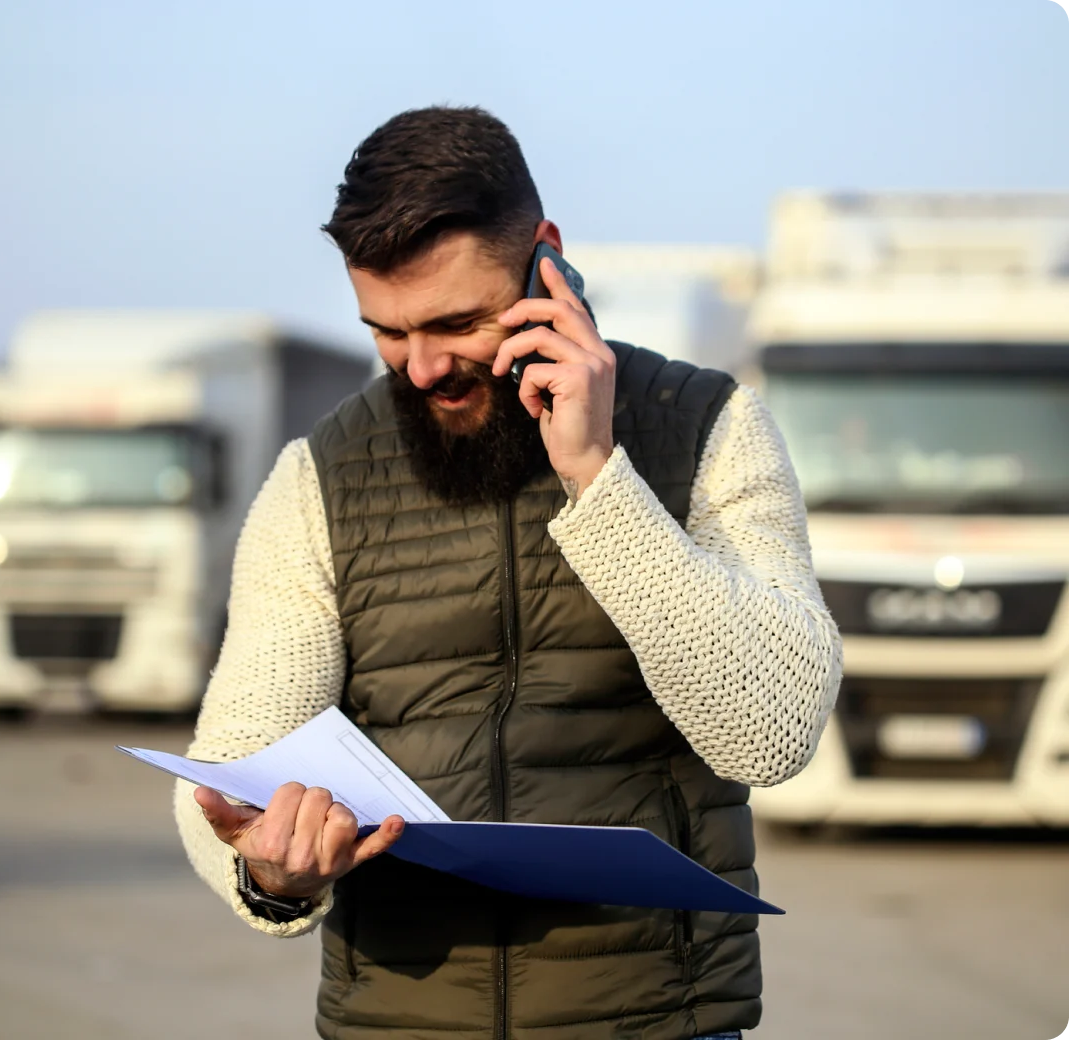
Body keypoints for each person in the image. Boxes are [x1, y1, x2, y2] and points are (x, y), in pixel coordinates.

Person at [174, 105, 843, 1040]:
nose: (422, 368)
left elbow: (770, 733)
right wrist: (267, 869)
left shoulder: (711, 428)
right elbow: (232, 764)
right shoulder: (316, 478)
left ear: (546, 262)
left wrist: (598, 475)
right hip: (398, 1025)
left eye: (456, 322)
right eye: (387, 331)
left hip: (656, 1023)